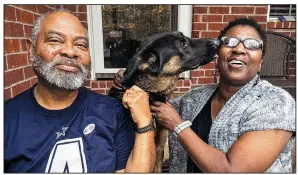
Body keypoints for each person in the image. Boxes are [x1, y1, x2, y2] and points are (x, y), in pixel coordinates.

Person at [113, 18, 295, 173]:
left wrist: (177, 125)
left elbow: (232, 170)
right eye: (230, 42)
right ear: (218, 55)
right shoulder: (194, 98)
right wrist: (132, 80)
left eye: (252, 45)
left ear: (261, 62)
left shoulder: (276, 102)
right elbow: (154, 107)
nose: (239, 49)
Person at [4, 9, 155, 173]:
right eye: (55, 40)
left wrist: (145, 122)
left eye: (81, 45)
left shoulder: (113, 112)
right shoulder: (6, 119)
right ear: (31, 50)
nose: (70, 51)